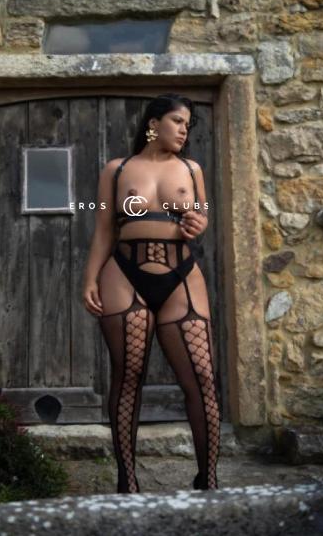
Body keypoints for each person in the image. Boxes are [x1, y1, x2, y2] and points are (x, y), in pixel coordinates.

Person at [82, 93, 220, 493]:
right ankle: (127, 482)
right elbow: (104, 230)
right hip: (124, 272)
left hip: (181, 273)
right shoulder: (118, 169)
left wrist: (200, 224)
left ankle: (208, 480)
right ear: (153, 123)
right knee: (128, 376)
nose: (184, 130)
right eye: (177, 121)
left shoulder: (191, 169)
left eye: (188, 125)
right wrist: (89, 279)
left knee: (202, 378)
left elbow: (202, 217)